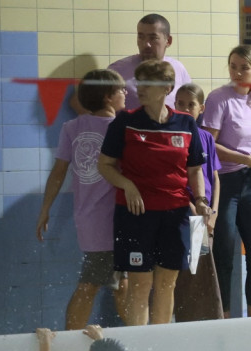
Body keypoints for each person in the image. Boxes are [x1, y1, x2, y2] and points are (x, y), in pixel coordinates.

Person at [97, 59, 210, 326]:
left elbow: (195, 170)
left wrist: (201, 200)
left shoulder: (185, 124)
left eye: (148, 83)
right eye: (139, 83)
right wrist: (127, 185)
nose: (141, 88)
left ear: (167, 88)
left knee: (167, 283)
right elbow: (105, 165)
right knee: (140, 283)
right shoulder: (125, 121)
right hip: (136, 214)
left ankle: (160, 347)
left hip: (175, 214)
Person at [37, 69, 128, 329]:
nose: (126, 93)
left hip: (89, 218)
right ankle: (69, 342)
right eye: (121, 90)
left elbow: (58, 172)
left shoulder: (72, 126)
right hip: (108, 220)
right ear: (108, 97)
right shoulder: (120, 128)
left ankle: (136, 342)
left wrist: (46, 208)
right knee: (91, 283)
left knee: (121, 284)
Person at [204, 45, 251, 319]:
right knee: (223, 257)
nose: (238, 72)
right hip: (226, 183)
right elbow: (208, 145)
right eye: (233, 66)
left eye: (244, 67)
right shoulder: (218, 99)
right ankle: (224, 320)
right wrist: (247, 160)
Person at [171, 83, 223, 322]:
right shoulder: (173, 137)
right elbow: (176, 178)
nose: (184, 108)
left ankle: (201, 325)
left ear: (201, 108)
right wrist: (193, 210)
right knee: (185, 274)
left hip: (205, 216)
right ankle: (181, 322)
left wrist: (213, 214)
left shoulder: (205, 138)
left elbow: (214, 176)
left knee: (202, 273)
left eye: (190, 104)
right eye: (179, 103)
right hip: (186, 213)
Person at [104, 14, 190, 111]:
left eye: (153, 38)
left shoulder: (178, 69)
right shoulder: (118, 71)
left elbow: (191, 105)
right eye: (141, 37)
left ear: (168, 41)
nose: (146, 44)